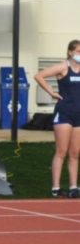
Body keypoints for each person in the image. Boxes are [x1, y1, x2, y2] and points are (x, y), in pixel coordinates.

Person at [34, 39, 80, 198]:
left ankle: (74, 187)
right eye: (79, 51)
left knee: (75, 153)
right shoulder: (63, 66)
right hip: (64, 113)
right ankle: (56, 187)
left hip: (78, 114)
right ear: (70, 52)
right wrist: (51, 92)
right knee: (62, 151)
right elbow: (39, 76)